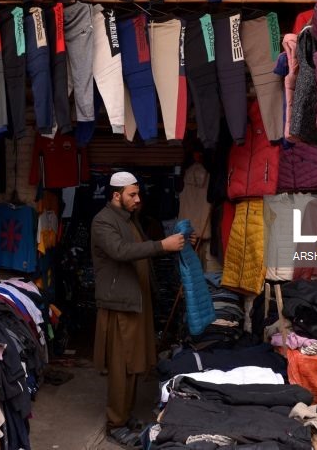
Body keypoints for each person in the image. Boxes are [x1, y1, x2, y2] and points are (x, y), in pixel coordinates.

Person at [91, 171, 191, 441]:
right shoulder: (103, 222)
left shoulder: (130, 219)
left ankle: (125, 415)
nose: (138, 199)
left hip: (136, 303)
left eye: (138, 194)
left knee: (134, 364)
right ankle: (115, 425)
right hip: (119, 305)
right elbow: (121, 251)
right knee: (121, 368)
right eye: (132, 194)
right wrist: (162, 245)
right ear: (116, 195)